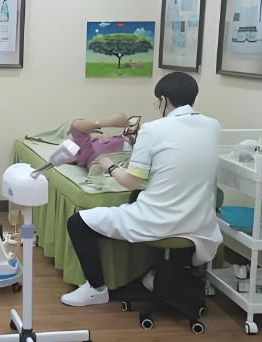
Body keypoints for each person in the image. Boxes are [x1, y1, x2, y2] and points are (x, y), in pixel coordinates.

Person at [60, 72, 222, 307]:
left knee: (78, 222)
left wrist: (108, 164)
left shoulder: (153, 129)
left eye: (158, 102)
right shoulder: (212, 126)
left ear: (164, 100)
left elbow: (131, 182)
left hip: (160, 222)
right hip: (199, 222)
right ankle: (157, 274)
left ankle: (96, 288)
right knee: (137, 197)